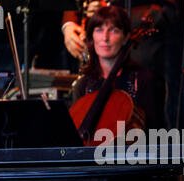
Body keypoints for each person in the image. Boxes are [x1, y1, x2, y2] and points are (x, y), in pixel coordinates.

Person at [69, 5, 161, 143]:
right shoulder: (83, 84)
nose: (105, 38)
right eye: (99, 30)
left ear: (125, 38)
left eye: (113, 31)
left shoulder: (141, 79)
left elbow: (155, 135)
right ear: (92, 37)